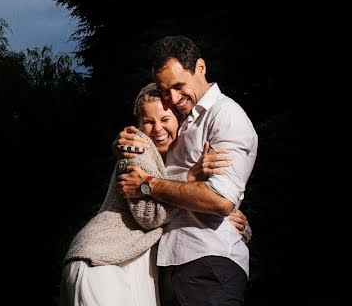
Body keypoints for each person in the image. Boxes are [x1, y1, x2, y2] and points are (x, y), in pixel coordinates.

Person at [61, 83, 249, 306]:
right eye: (149, 122)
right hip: (104, 261)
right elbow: (149, 216)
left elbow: (198, 201)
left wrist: (239, 222)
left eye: (165, 119)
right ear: (138, 126)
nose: (157, 128)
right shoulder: (137, 150)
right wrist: (191, 178)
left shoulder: (177, 160)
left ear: (179, 119)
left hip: (129, 267)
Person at [117, 36, 258, 306]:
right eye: (165, 89)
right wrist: (120, 143)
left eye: (179, 86)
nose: (173, 98)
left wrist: (148, 185)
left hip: (208, 262)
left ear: (201, 68)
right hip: (170, 267)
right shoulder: (184, 120)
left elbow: (219, 200)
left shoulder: (226, 116)